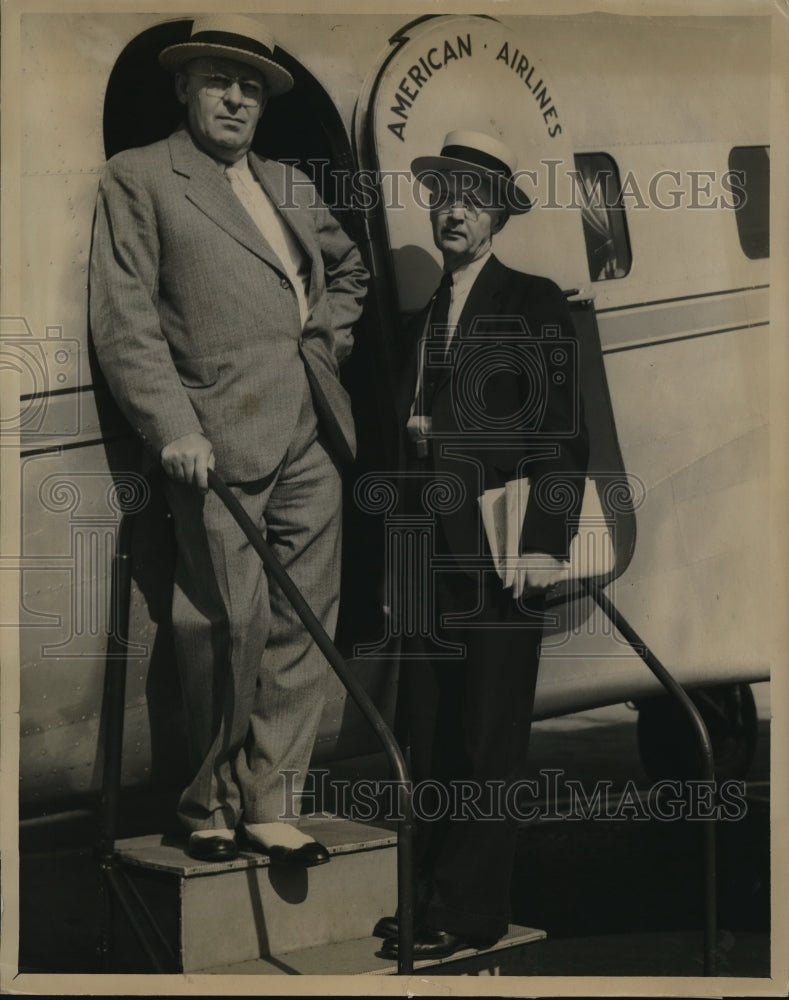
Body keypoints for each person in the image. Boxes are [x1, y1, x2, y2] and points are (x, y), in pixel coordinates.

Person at [89, 14, 368, 865]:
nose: (236, 98)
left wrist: (323, 344)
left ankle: (272, 798)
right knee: (219, 626)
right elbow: (125, 318)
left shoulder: (287, 182)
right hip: (215, 442)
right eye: (218, 80)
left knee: (300, 627)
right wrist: (172, 424)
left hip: (309, 437)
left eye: (250, 87)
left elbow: (349, 270)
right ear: (184, 88)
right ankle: (206, 800)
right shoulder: (140, 178)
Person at [378, 131, 589, 958]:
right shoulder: (421, 315)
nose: (453, 209)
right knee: (427, 733)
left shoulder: (530, 301)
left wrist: (544, 544)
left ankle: (468, 912)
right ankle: (423, 897)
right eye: (443, 195)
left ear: (498, 213)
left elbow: (560, 436)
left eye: (471, 197)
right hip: (426, 558)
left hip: (499, 554)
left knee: (485, 737)